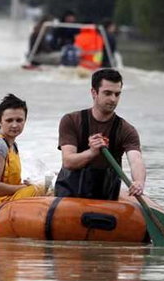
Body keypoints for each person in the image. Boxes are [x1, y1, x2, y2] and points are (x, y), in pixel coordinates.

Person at [54, 68, 146, 200]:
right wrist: (91, 152)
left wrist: (138, 182)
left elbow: (136, 160)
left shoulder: (127, 130)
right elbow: (68, 162)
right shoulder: (71, 120)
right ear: (94, 93)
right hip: (70, 196)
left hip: (106, 198)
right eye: (107, 93)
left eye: (117, 94)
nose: (113, 99)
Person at [0, 94, 44, 209]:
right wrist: (24, 189)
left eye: (19, 120)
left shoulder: (12, 144)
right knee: (40, 188)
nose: (15, 125)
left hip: (6, 197)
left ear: (25, 120)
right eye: (9, 120)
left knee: (47, 183)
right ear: (0, 121)